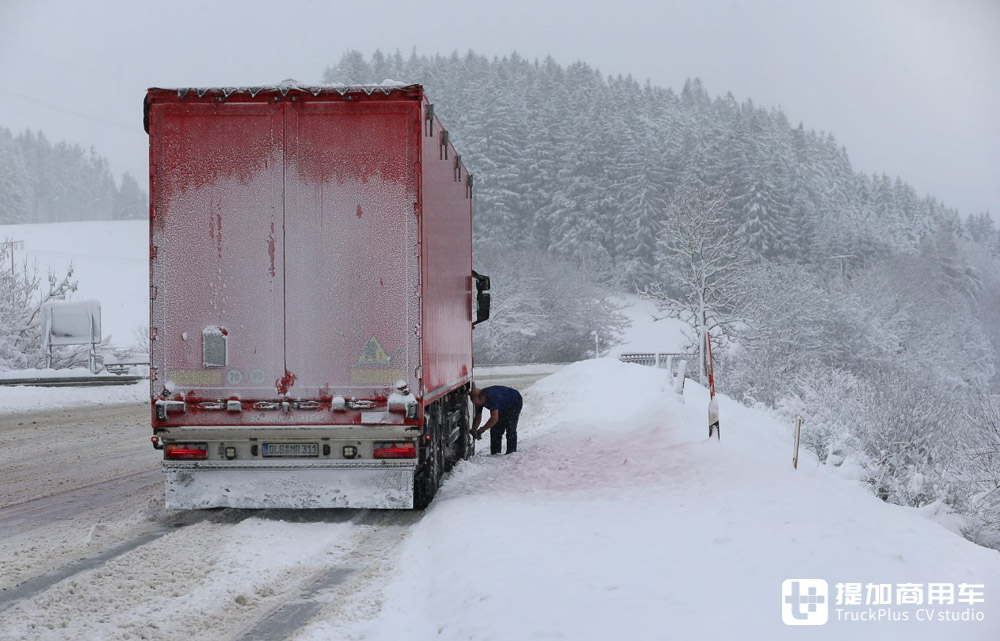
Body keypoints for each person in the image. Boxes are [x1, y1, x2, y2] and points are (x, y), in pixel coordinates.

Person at [469, 385, 522, 455]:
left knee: (510, 428)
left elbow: (494, 418)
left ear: (482, 397)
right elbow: (478, 416)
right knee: (496, 430)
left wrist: (482, 430)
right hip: (502, 404)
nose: (476, 404)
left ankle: (511, 453)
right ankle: (495, 453)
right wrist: (474, 429)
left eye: (476, 402)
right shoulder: (479, 400)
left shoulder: (492, 397)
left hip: (514, 402)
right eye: (474, 403)